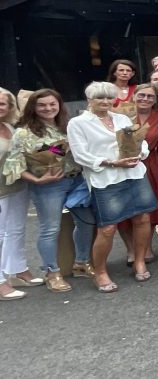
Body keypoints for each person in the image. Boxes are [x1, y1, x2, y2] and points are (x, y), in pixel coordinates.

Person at [69, 82, 158, 293]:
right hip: (105, 179)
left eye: (109, 98)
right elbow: (80, 155)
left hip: (134, 174)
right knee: (107, 227)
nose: (105, 102)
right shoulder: (78, 123)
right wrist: (111, 162)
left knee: (142, 218)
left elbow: (140, 141)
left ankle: (139, 261)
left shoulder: (122, 118)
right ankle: (100, 272)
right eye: (100, 98)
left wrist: (140, 155)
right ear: (89, 99)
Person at [4, 89, 86, 292]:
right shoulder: (24, 133)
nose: (48, 108)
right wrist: (37, 180)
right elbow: (13, 165)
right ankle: (52, 272)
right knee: (50, 229)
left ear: (59, 105)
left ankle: (82, 263)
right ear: (33, 107)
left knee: (86, 222)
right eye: (42, 105)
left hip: (77, 181)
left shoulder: (69, 126)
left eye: (52, 104)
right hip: (49, 186)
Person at [119, 83, 158, 264]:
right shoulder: (122, 114)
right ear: (134, 96)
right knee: (125, 208)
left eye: (150, 96)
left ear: (156, 100)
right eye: (142, 95)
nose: (145, 99)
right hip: (123, 164)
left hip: (150, 164)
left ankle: (146, 247)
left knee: (149, 208)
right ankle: (130, 249)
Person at [0, 87, 36, 300]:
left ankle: (18, 270)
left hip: (18, 186)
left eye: (3, 103)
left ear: (10, 107)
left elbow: (33, 149)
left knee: (16, 230)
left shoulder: (10, 127)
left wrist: (60, 150)